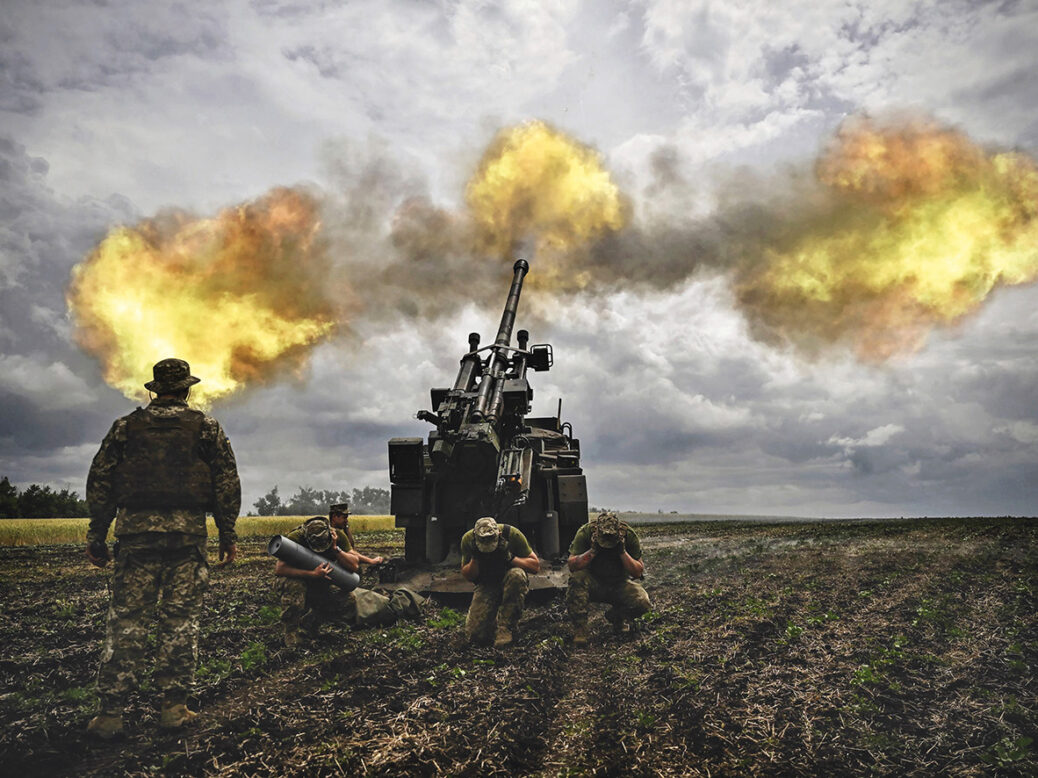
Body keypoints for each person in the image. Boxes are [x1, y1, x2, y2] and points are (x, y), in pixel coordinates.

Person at [84, 358, 241, 740]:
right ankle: (172, 709)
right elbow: (226, 483)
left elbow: (100, 480)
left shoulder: (125, 427)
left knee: (127, 621)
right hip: (186, 540)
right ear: (186, 389)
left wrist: (97, 533)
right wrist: (227, 533)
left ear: (153, 390)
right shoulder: (206, 428)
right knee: (179, 623)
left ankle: (109, 716)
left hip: (136, 538)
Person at [274, 513, 420, 646]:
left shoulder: (336, 535)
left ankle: (310, 624)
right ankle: (291, 633)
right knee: (295, 586)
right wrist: (312, 574)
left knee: (347, 600)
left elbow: (354, 564)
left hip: (321, 579)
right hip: (300, 578)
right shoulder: (295, 538)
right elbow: (280, 569)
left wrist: (336, 549)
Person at [566, 511, 650, 647]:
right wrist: (592, 551)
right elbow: (572, 566)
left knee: (642, 602)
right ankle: (580, 630)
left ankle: (617, 616)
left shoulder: (628, 535)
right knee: (577, 579)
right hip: (594, 582)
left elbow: (637, 572)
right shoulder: (586, 532)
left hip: (618, 583)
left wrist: (622, 551)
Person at [460, 517, 540, 648]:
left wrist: (510, 557)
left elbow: (535, 567)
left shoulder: (512, 534)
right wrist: (475, 558)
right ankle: (492, 621)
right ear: (475, 537)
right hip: (487, 583)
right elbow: (468, 575)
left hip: (510, 579)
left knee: (517, 575)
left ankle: (506, 627)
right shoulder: (468, 540)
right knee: (475, 636)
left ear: (499, 535)